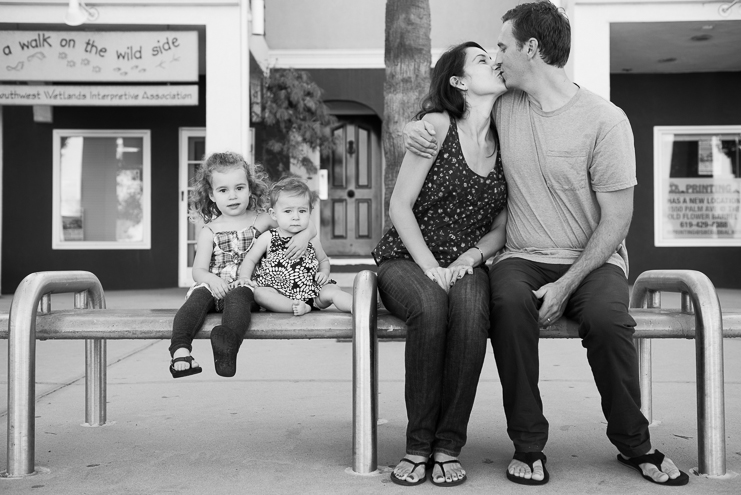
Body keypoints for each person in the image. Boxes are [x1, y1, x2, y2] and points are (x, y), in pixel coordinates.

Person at [403, 1, 689, 487]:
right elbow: (453, 118)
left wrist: (568, 284)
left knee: (607, 319)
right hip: (522, 256)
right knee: (508, 304)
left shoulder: (606, 120)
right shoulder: (504, 107)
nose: (495, 56)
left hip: (592, 261)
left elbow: (618, 219)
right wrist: (410, 126)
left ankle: (634, 442)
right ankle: (529, 445)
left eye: (502, 45)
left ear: (530, 48)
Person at [373, 42, 508, 487]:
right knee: (431, 307)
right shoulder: (435, 126)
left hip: (468, 262)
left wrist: (472, 257)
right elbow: (399, 205)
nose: (495, 63)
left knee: (471, 314)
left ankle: (448, 444)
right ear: (460, 82)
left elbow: (501, 228)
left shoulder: (506, 142)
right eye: (483, 60)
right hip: (408, 258)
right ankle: (417, 445)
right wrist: (433, 268)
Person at [168, 152, 315, 378]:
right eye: (223, 190)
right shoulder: (209, 230)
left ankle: (227, 345)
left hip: (246, 288)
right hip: (213, 286)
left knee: (239, 298)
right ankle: (180, 351)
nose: (233, 196)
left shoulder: (263, 219)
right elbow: (198, 271)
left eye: (239, 188)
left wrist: (306, 236)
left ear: (250, 188)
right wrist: (211, 280)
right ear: (212, 195)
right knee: (194, 302)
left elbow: (301, 223)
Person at [240, 176, 352, 316]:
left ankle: (357, 306)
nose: (296, 217)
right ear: (274, 214)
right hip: (277, 291)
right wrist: (244, 277)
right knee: (260, 294)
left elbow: (323, 260)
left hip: (312, 292)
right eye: (288, 211)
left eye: (302, 211)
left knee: (333, 290)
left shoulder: (311, 240)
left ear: (310, 212)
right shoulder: (268, 237)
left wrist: (323, 273)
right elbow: (250, 259)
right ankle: (295, 306)